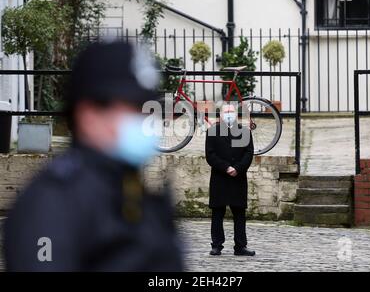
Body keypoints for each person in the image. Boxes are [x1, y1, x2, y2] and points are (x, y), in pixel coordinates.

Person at [3, 41, 184, 271]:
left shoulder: (128, 188)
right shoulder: (51, 203)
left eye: (146, 108)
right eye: (132, 108)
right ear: (88, 114)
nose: (145, 119)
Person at [205, 103, 255, 256]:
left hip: (238, 178)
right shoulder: (212, 131)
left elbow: (249, 153)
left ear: (236, 114)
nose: (229, 114)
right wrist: (226, 167)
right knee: (217, 213)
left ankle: (240, 246)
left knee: (239, 213)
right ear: (220, 114)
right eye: (226, 111)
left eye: (231, 111)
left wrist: (238, 168)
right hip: (220, 177)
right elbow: (210, 155)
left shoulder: (244, 131)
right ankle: (216, 245)